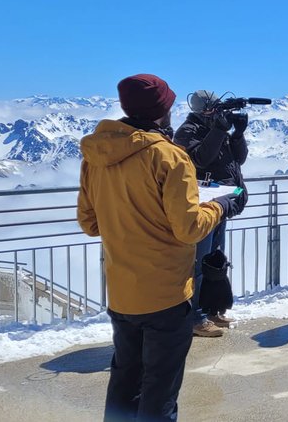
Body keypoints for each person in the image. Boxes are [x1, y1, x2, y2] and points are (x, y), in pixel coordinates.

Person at [77, 74, 243, 421]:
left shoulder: (96, 153)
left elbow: (90, 223)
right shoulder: (169, 157)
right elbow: (189, 229)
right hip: (166, 295)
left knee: (124, 382)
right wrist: (222, 205)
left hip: (122, 293)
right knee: (159, 393)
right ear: (161, 110)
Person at [174, 90, 250, 337]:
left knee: (215, 262)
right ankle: (194, 317)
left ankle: (213, 309)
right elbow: (200, 160)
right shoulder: (187, 131)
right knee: (198, 263)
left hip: (220, 205)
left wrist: (237, 134)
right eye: (212, 109)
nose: (217, 113)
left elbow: (239, 159)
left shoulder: (218, 127)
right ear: (201, 110)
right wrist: (219, 130)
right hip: (201, 207)